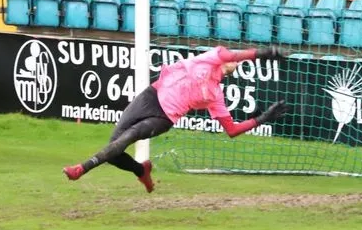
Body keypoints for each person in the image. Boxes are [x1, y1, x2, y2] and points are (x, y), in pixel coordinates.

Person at [63, 46, 288, 192]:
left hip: (164, 117)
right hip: (150, 95)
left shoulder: (215, 94)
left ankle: (81, 169)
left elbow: (231, 130)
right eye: (235, 59)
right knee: (114, 150)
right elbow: (234, 55)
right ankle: (141, 171)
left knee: (127, 138)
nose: (236, 61)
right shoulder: (213, 57)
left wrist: (263, 118)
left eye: (238, 63)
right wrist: (264, 53)